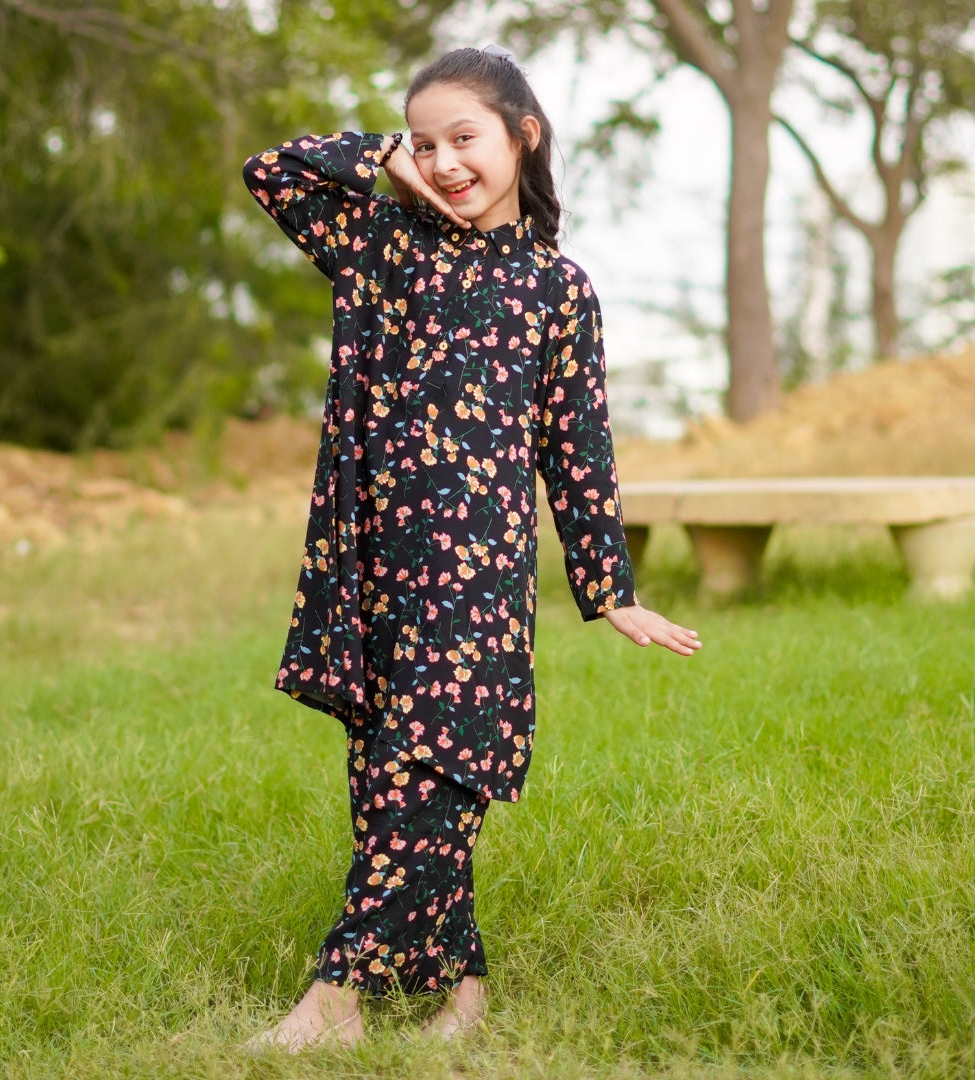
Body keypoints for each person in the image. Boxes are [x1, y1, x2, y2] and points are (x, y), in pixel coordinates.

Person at [240, 44, 701, 1053]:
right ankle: (463, 986)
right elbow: (272, 171)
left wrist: (609, 587)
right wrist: (383, 158)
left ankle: (337, 1001)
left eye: (465, 138)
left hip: (480, 579)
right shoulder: (381, 243)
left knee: (430, 768)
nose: (446, 162)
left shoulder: (557, 289)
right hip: (375, 560)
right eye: (427, 143)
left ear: (522, 136)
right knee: (388, 781)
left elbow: (577, 449)